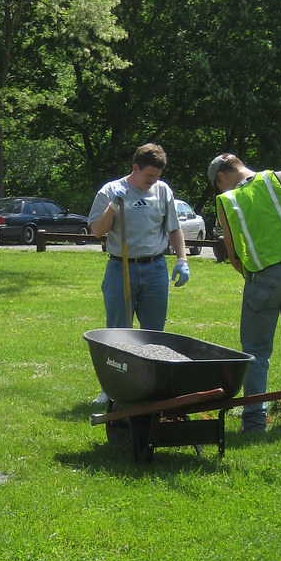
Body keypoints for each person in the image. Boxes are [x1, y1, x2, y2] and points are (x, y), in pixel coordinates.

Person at [207, 153, 281, 432]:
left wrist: (253, 275)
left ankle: (254, 421)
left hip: (261, 278)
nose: (220, 190)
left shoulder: (227, 200)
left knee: (256, 352)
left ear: (222, 177)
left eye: (217, 185)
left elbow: (234, 255)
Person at [88, 143, 189, 403]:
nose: (153, 181)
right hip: (121, 267)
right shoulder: (110, 191)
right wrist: (113, 206)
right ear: (135, 168)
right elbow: (97, 230)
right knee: (119, 332)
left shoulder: (163, 190)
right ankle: (112, 388)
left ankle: (151, 386)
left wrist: (181, 259)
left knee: (155, 334)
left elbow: (174, 228)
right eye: (149, 176)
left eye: (156, 176)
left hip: (155, 268)